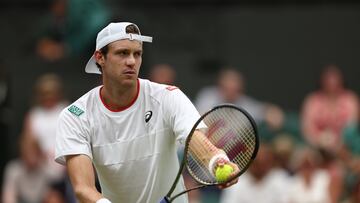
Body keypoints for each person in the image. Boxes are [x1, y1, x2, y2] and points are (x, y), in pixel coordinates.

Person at [54, 22, 239, 203]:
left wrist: (217, 162)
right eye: (122, 53)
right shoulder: (75, 116)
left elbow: (197, 141)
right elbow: (83, 188)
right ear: (100, 57)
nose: (131, 61)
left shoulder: (168, 97)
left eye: (137, 54)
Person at [301, 65, 359, 153]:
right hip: (317, 147)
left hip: (345, 147)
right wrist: (320, 140)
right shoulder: (312, 100)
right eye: (328, 79)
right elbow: (307, 128)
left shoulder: (350, 99)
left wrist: (338, 142)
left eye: (334, 79)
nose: (331, 82)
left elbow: (351, 126)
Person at [194, 68, 267, 124]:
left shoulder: (245, 104)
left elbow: (266, 111)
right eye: (227, 88)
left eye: (235, 89)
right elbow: (199, 118)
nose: (231, 92)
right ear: (220, 85)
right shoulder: (207, 96)